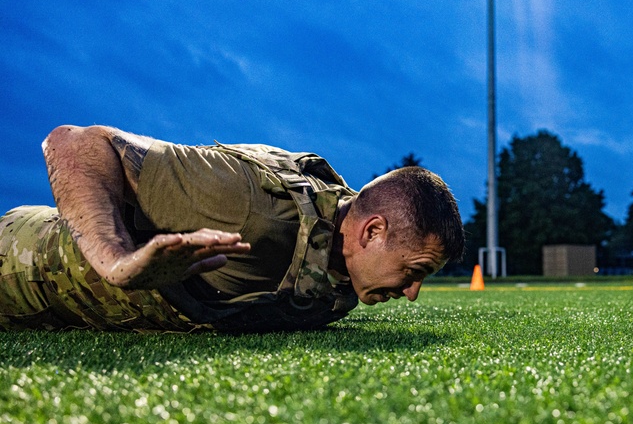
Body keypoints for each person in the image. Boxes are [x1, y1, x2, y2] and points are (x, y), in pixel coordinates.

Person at [0, 125, 465, 332]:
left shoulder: (347, 273)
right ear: (372, 232)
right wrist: (117, 259)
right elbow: (75, 142)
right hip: (18, 262)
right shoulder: (249, 204)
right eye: (413, 271)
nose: (412, 293)